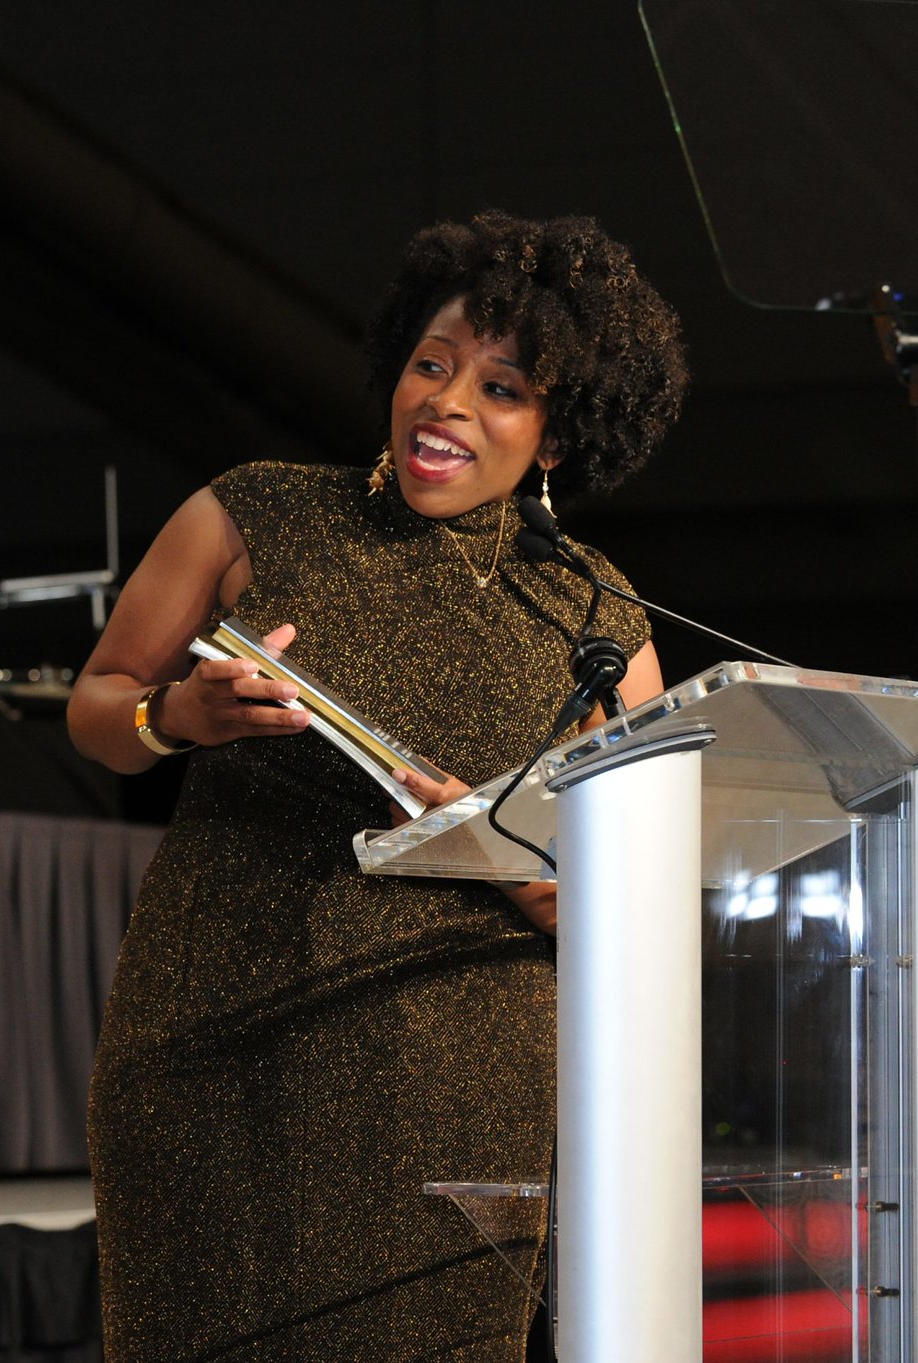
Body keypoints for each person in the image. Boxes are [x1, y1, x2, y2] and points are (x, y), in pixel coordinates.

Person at [66, 211, 688, 1361]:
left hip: (460, 1081)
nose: (446, 402)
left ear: (554, 438)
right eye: (431, 365)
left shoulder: (598, 617)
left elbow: (635, 904)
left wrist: (514, 862)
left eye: (500, 388)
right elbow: (98, 707)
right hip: (215, 1043)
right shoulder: (256, 510)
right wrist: (176, 716)